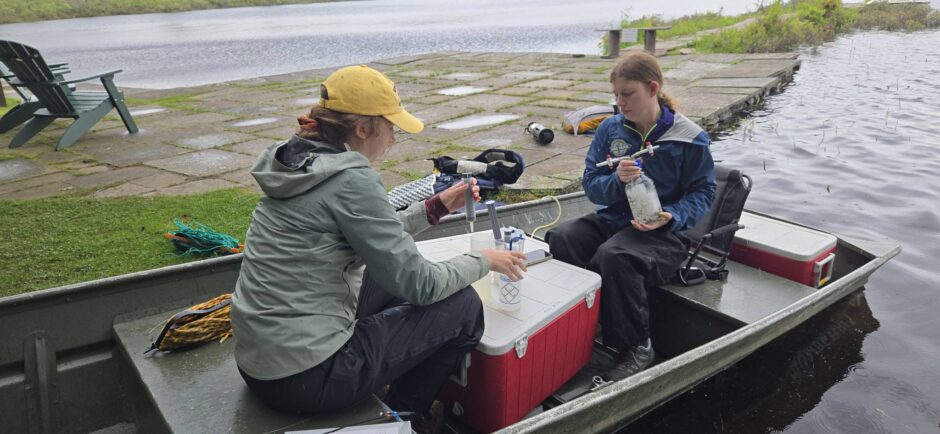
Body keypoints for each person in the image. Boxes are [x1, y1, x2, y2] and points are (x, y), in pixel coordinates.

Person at [230, 65, 527, 433]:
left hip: (261, 361)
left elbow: (372, 234)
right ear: (363, 129)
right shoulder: (351, 179)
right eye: (391, 128)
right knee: (463, 305)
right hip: (308, 377)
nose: (394, 139)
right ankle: (404, 417)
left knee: (387, 275)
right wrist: (484, 260)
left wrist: (436, 206)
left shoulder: (302, 160)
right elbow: (420, 285)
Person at [547, 52, 716, 381]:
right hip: (614, 222)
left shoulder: (688, 138)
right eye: (616, 95)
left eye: (628, 94)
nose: (620, 103)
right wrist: (616, 181)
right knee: (562, 238)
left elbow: (703, 193)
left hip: (664, 235)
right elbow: (592, 186)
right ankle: (581, 322)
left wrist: (672, 215)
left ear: (653, 88)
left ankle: (638, 347)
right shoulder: (611, 130)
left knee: (615, 256)